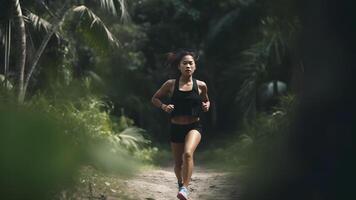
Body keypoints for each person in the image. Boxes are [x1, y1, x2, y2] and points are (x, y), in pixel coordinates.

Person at [151, 49, 210, 200]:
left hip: (194, 126)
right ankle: (180, 183)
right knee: (178, 163)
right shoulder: (170, 84)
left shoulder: (201, 85)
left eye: (191, 63)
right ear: (179, 66)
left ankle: (185, 188)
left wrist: (206, 105)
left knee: (188, 154)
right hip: (176, 127)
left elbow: (206, 100)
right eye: (185, 63)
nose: (188, 66)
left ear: (195, 66)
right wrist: (164, 107)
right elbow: (155, 98)